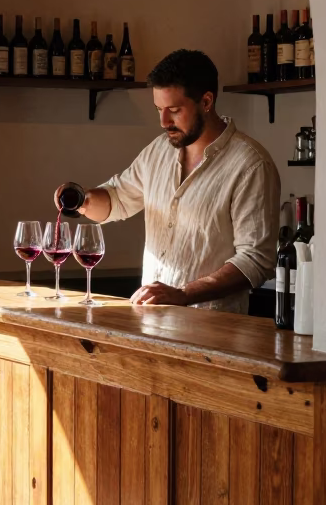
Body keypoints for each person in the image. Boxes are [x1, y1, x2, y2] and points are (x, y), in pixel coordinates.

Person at [55, 49, 279, 313]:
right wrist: (80, 200)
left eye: (174, 110)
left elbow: (256, 260)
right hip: (151, 322)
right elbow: (116, 200)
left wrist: (184, 294)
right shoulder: (158, 151)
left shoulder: (250, 165)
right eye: (159, 109)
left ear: (206, 101)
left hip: (214, 332)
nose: (163, 122)